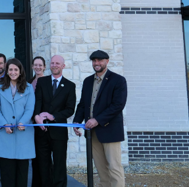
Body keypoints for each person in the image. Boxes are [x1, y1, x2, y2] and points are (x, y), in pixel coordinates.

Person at [73, 50, 128, 187]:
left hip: (110, 130)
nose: (96, 63)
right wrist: (76, 122)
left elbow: (118, 105)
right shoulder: (87, 81)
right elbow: (83, 104)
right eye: (94, 60)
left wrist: (97, 120)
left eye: (100, 60)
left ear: (107, 61)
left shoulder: (118, 80)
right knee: (101, 169)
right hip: (92, 133)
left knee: (114, 168)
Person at [33, 55, 76, 187]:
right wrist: (37, 116)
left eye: (57, 63)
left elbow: (70, 109)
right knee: (43, 165)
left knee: (59, 165)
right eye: (52, 63)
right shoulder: (42, 82)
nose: (54, 65)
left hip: (59, 133)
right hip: (42, 131)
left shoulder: (70, 85)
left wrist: (53, 116)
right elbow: (37, 101)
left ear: (63, 66)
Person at [0, 59, 35, 187]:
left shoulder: (28, 88)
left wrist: (22, 122)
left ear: (20, 71)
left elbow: (29, 109)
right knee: (7, 175)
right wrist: (4, 124)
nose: (13, 72)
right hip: (5, 136)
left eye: (16, 69)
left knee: (22, 175)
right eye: (10, 69)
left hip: (23, 136)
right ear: (7, 71)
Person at [29, 56, 46, 187]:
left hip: (43, 124)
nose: (38, 67)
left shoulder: (48, 82)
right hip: (31, 124)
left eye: (40, 65)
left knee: (43, 157)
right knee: (34, 157)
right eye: (35, 65)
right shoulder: (29, 82)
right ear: (32, 66)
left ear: (44, 67)